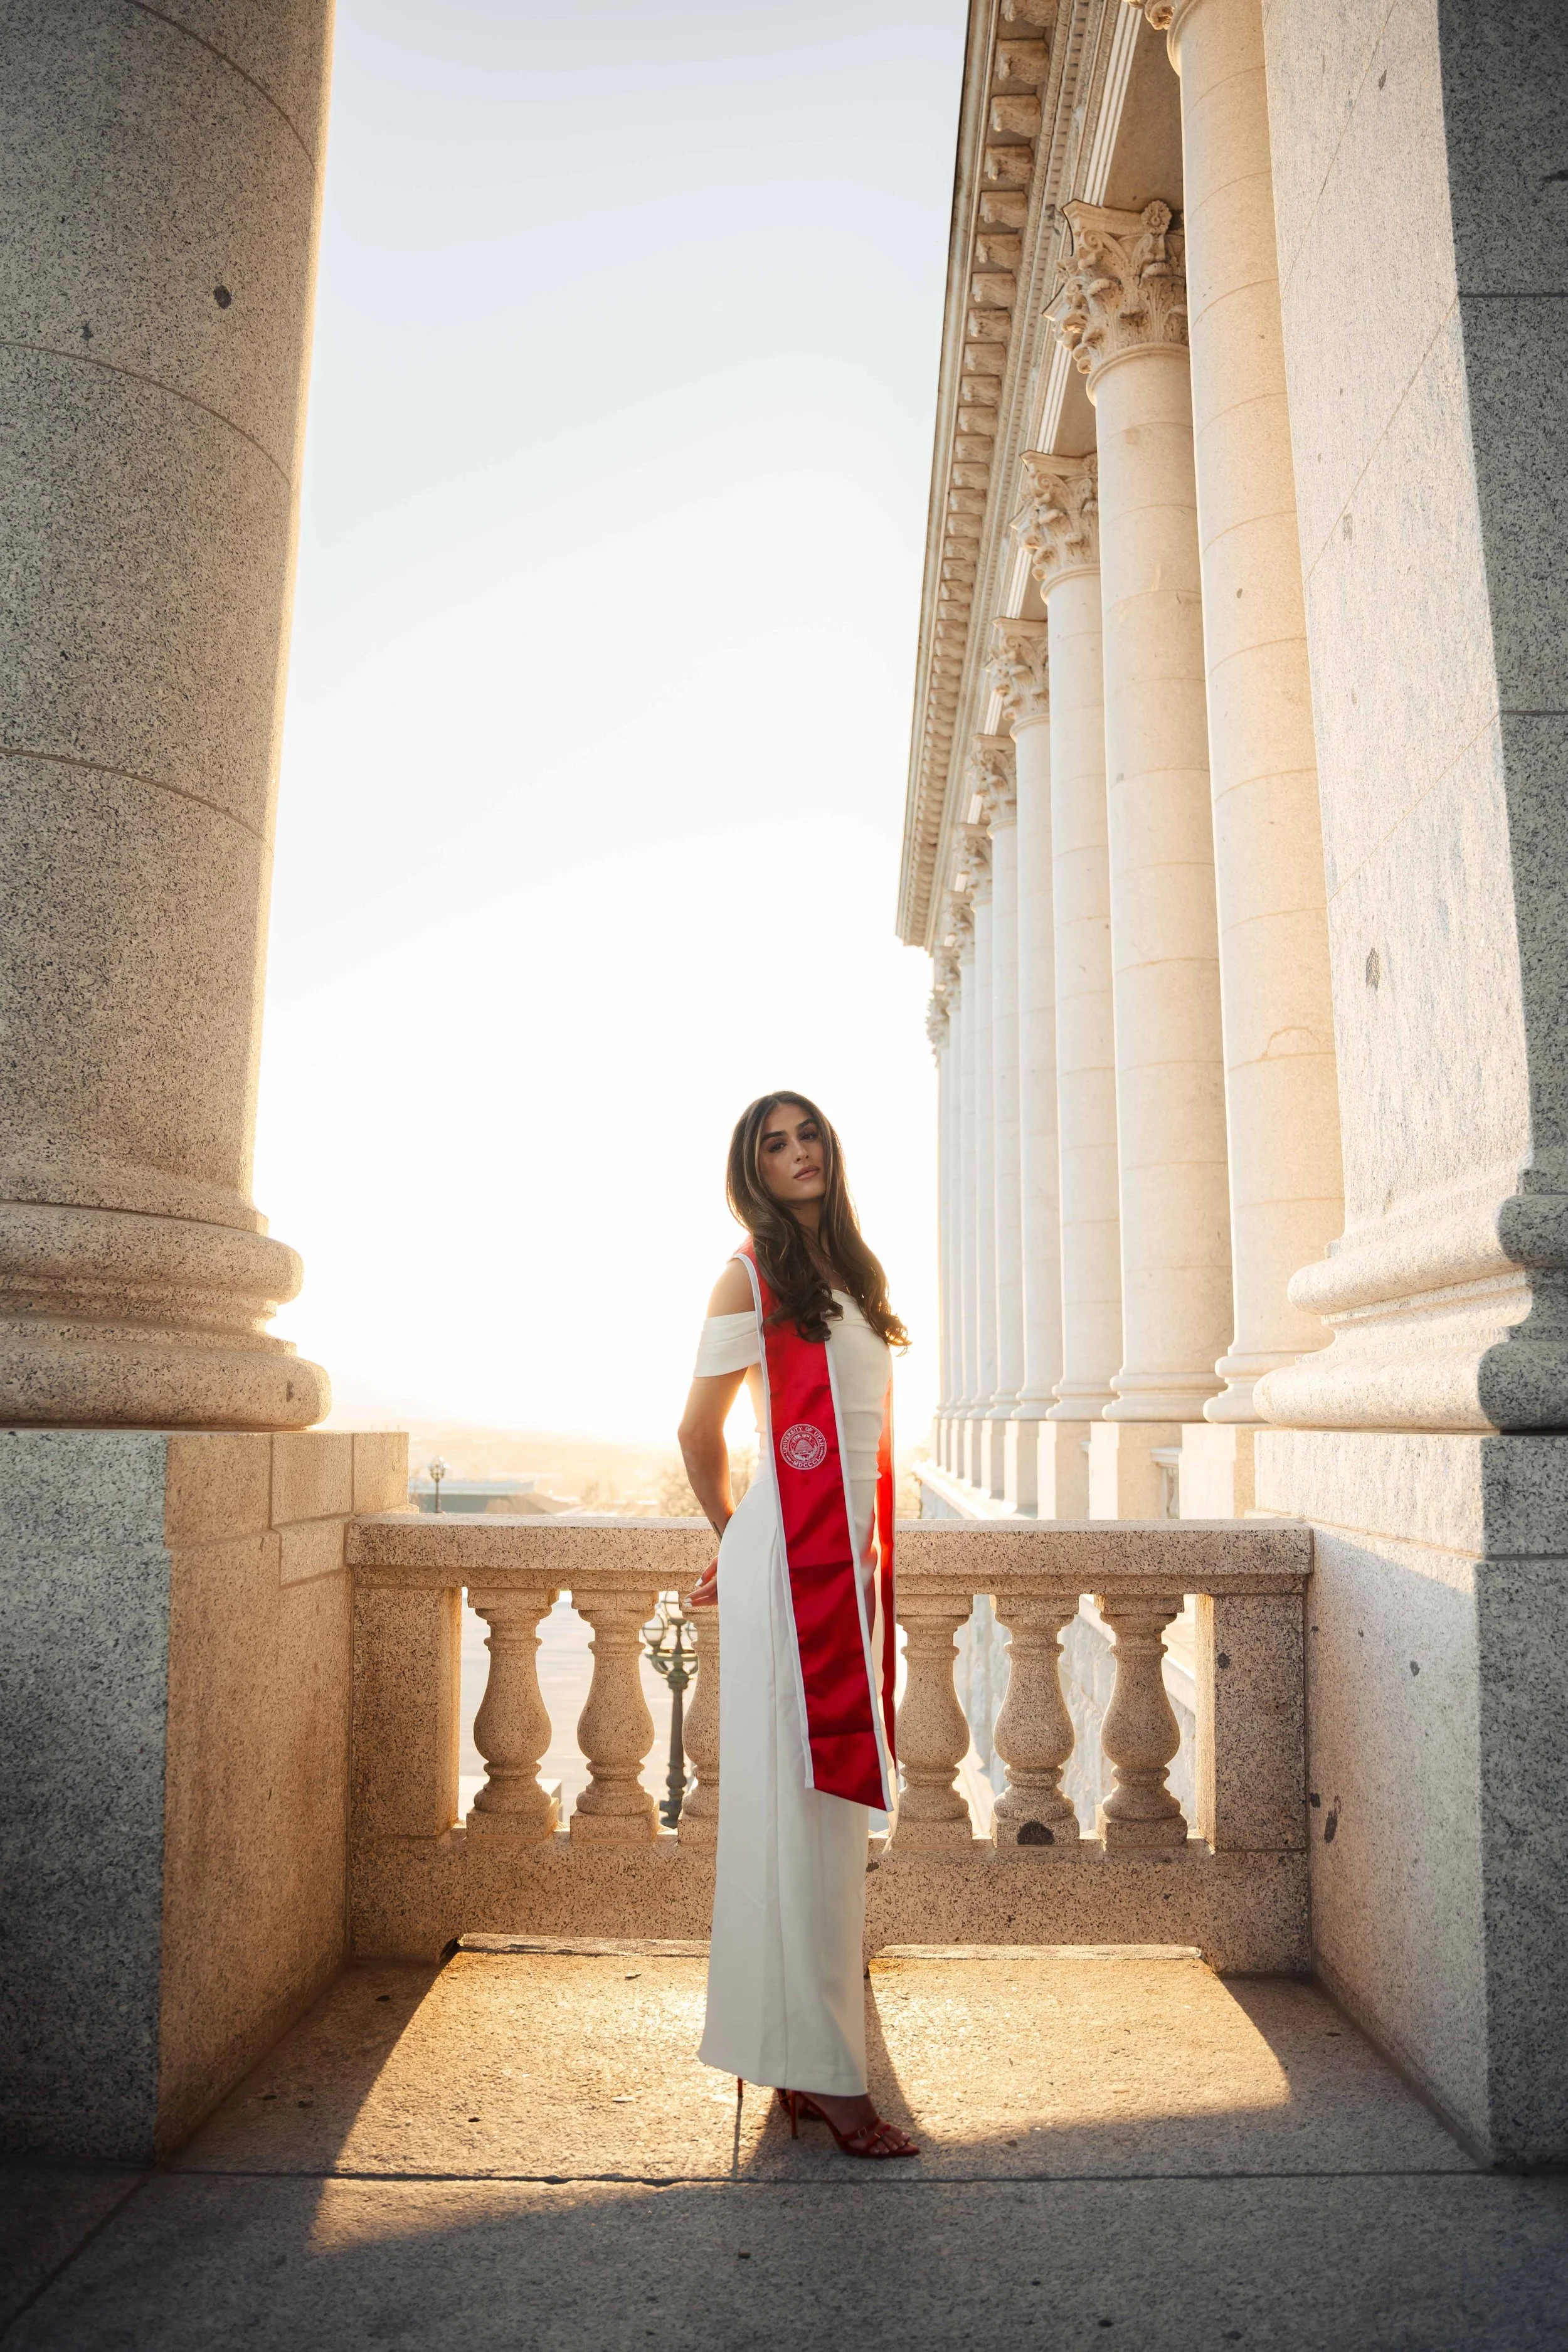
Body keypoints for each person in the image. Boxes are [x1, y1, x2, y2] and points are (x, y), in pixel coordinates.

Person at [677, 1092, 919, 2160]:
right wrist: (743, 1543)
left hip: (847, 1559)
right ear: (754, 1168)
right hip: (792, 1557)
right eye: (772, 1143)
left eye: (807, 1133)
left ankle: (800, 2062)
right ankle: (832, 2081)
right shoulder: (748, 1273)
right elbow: (698, 1431)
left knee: (817, 1812)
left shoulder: (856, 1275)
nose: (796, 1153)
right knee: (799, 1804)